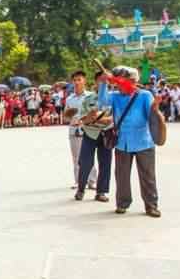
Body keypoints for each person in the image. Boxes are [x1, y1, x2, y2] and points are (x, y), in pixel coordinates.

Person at [98, 66, 161, 218]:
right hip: (122, 142)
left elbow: (152, 117)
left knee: (148, 176)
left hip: (143, 142)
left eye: (121, 81)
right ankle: (122, 203)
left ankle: (151, 205)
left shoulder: (145, 95)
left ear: (132, 81)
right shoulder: (115, 96)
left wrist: (155, 109)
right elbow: (102, 102)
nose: (119, 85)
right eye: (117, 82)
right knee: (122, 175)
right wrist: (103, 83)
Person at [73, 73, 113, 203]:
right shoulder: (88, 99)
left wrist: (97, 119)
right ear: (96, 83)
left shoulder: (114, 98)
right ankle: (81, 189)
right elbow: (83, 119)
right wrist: (91, 118)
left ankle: (101, 192)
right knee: (85, 162)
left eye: (106, 80)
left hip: (106, 134)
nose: (104, 83)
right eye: (101, 80)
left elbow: (114, 119)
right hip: (90, 134)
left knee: (105, 163)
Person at [65, 71, 97, 189]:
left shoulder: (90, 96)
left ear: (84, 81)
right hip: (74, 131)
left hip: (88, 130)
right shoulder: (69, 99)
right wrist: (69, 119)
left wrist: (84, 120)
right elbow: (66, 115)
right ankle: (78, 181)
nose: (77, 82)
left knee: (89, 156)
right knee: (76, 157)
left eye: (79, 79)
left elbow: (94, 112)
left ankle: (92, 180)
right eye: (75, 80)